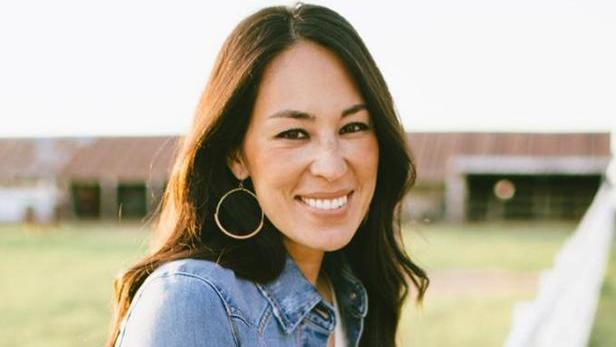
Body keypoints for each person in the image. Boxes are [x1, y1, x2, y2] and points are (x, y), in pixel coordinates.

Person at [105, 3, 428, 347]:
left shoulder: (351, 291)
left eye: (353, 127)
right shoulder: (194, 300)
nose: (332, 167)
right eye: (293, 134)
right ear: (236, 155)